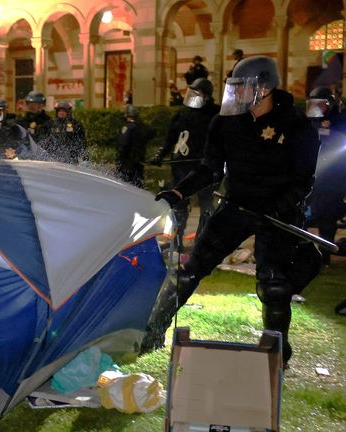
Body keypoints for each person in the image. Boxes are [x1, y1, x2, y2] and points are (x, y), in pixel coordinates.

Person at [147, 56, 321, 368]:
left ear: (264, 87)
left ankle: (276, 352)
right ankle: (151, 330)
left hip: (276, 214)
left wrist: (278, 207)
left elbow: (303, 181)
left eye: (242, 87)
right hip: (236, 206)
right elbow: (209, 169)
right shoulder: (225, 123)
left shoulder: (297, 125)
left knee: (274, 284)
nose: (236, 94)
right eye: (234, 88)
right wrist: (178, 191)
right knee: (189, 269)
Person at [150, 78, 220, 250]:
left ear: (206, 96)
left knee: (206, 204)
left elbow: (219, 141)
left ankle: (202, 242)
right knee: (179, 204)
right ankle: (177, 241)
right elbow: (171, 136)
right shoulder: (183, 113)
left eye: (198, 93)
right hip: (181, 165)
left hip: (203, 167)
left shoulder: (214, 115)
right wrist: (161, 154)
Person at [304, 87, 346, 266]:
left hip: (332, 176)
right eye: (314, 104)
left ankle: (325, 254)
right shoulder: (309, 121)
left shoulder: (339, 119)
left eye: (320, 104)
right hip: (311, 174)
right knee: (301, 216)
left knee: (327, 218)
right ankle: (300, 253)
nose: (317, 107)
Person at [117, 104, 154, 187]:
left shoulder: (127, 127)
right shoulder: (142, 127)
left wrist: (119, 160)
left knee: (127, 184)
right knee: (138, 182)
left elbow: (123, 145)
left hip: (128, 162)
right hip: (139, 160)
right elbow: (151, 134)